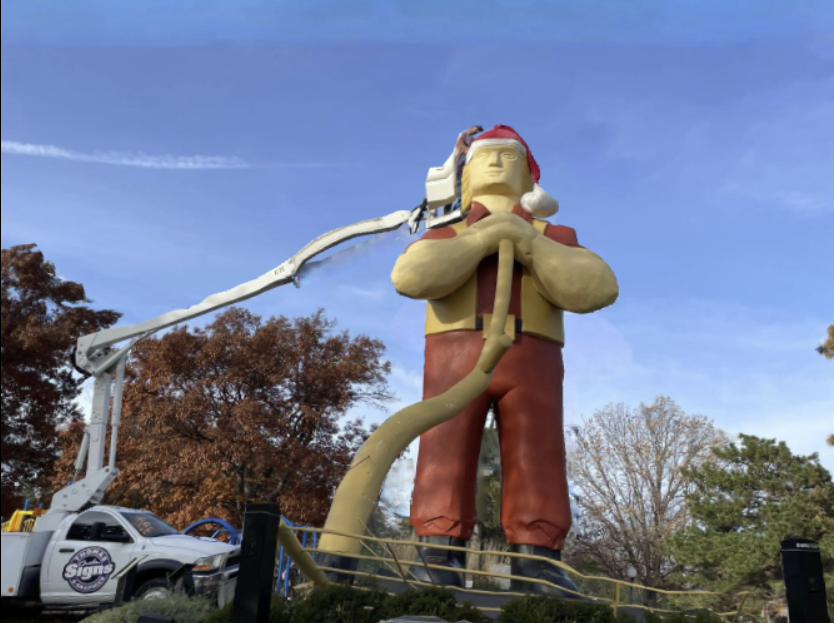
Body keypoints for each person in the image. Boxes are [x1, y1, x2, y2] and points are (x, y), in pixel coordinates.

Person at [391, 125, 619, 597]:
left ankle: (537, 560)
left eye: (508, 156)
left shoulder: (553, 235)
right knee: (443, 446)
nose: (496, 162)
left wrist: (527, 241)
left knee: (538, 449)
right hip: (455, 351)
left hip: (533, 354)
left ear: (529, 177)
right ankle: (438, 550)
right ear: (466, 174)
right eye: (486, 156)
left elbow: (597, 288)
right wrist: (482, 239)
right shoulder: (447, 231)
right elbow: (410, 277)